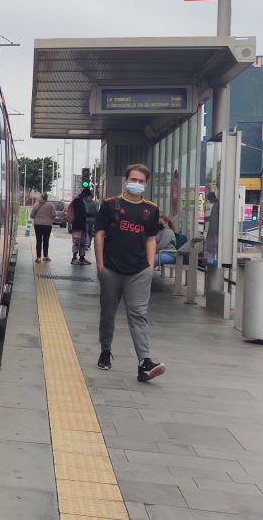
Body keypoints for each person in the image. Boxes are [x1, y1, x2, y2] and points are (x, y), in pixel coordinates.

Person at [94, 163, 165, 382]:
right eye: (132, 180)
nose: (136, 184)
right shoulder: (110, 205)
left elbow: (152, 238)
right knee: (108, 312)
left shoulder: (151, 209)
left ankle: (144, 362)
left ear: (146, 184)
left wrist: (150, 265)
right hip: (111, 269)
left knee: (138, 314)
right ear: (125, 181)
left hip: (139, 271)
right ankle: (105, 351)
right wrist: (100, 266)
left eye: (141, 181)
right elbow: (99, 235)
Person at [30, 193, 55, 262]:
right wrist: (49, 219)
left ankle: (38, 258)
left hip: (38, 225)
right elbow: (54, 214)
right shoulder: (51, 205)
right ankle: (45, 256)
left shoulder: (36, 205)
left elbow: (32, 215)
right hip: (47, 225)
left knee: (39, 241)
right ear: (47, 198)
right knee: (46, 240)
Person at [70, 189, 91, 265]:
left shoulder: (79, 200)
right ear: (85, 195)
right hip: (78, 226)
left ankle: (82, 258)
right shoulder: (78, 201)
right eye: (88, 196)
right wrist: (87, 214)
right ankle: (74, 258)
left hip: (80, 226)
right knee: (76, 242)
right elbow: (79, 214)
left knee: (82, 243)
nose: (88, 198)